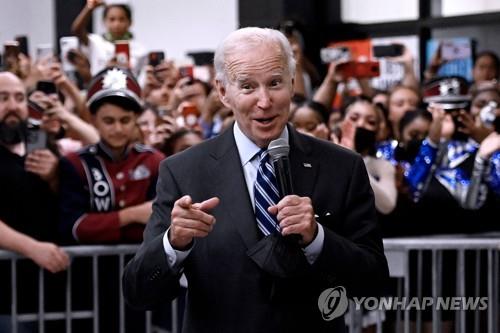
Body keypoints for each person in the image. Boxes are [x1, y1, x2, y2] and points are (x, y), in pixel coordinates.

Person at [123, 27, 388, 332]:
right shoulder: (183, 171)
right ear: (223, 92)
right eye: (247, 87)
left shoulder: (342, 167)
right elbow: (138, 291)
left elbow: (374, 283)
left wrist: (317, 239)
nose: (265, 101)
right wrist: (174, 243)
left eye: (275, 83)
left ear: (292, 84)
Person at [58, 67, 164, 244]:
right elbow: (73, 228)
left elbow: (159, 226)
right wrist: (132, 215)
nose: (118, 129)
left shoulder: (154, 161)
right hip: (91, 270)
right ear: (93, 121)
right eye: (108, 121)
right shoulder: (75, 164)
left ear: (136, 119)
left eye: (125, 120)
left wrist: (100, 224)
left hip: (142, 268)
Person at [0, 72, 69, 330]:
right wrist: (31, 248)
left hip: (50, 287)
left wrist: (54, 177)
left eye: (19, 98)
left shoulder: (40, 144)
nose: (13, 106)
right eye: (3, 98)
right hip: (6, 292)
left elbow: (66, 200)